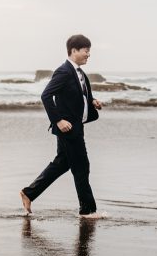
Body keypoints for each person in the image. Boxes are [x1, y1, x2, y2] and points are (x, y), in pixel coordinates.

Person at [20, 34, 105, 219]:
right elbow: (46, 95)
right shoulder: (64, 71)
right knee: (82, 166)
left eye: (89, 51)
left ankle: (29, 193)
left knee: (62, 163)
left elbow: (80, 96)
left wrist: (93, 101)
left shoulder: (80, 73)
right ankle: (88, 210)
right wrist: (57, 120)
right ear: (74, 50)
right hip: (68, 129)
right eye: (86, 50)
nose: (88, 54)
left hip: (76, 126)